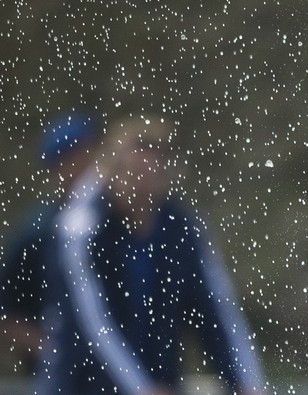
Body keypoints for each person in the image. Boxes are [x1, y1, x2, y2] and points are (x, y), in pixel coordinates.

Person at [36, 115, 266, 394]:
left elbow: (216, 312)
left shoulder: (182, 228)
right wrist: (141, 388)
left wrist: (245, 382)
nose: (142, 189)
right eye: (134, 176)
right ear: (112, 172)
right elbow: (95, 325)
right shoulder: (82, 229)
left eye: (152, 176)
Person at [0, 110, 101, 370]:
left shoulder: (111, 219)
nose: (91, 164)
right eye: (80, 156)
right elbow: (7, 313)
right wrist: (56, 350)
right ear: (60, 166)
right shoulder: (37, 230)